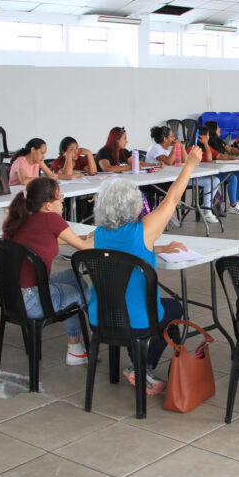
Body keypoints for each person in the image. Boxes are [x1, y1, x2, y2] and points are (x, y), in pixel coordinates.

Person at [88, 146, 201, 393]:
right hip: (136, 321)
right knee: (173, 308)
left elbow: (119, 251)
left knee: (137, 308)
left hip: (101, 318)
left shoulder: (97, 235)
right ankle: (143, 365)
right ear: (134, 204)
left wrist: (157, 249)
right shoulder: (143, 230)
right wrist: (190, 165)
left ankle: (137, 363)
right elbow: (172, 198)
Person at [2, 178, 93, 365]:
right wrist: (101, 236)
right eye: (61, 197)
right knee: (77, 295)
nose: (63, 201)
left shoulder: (25, 217)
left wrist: (81, 237)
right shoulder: (52, 219)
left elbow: (50, 239)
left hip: (11, 296)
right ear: (48, 205)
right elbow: (85, 248)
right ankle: (79, 346)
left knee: (71, 276)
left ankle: (94, 321)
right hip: (31, 301)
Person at [185, 126, 227, 223]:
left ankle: (206, 207)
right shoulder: (193, 148)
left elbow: (211, 157)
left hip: (198, 176)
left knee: (215, 180)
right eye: (207, 135)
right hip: (189, 178)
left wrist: (206, 145)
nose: (208, 137)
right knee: (211, 182)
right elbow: (208, 159)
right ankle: (207, 211)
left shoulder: (205, 147)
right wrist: (206, 144)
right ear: (201, 137)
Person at [9, 138, 78, 186]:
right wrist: (43, 178)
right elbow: (24, 181)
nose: (43, 157)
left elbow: (52, 175)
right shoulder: (21, 161)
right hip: (16, 195)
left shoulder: (38, 161)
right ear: (33, 150)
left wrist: (71, 177)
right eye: (42, 153)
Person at [96, 127, 161, 173]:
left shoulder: (124, 151)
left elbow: (138, 163)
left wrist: (156, 165)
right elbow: (107, 169)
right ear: (116, 140)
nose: (127, 141)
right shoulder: (103, 152)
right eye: (124, 138)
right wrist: (131, 167)